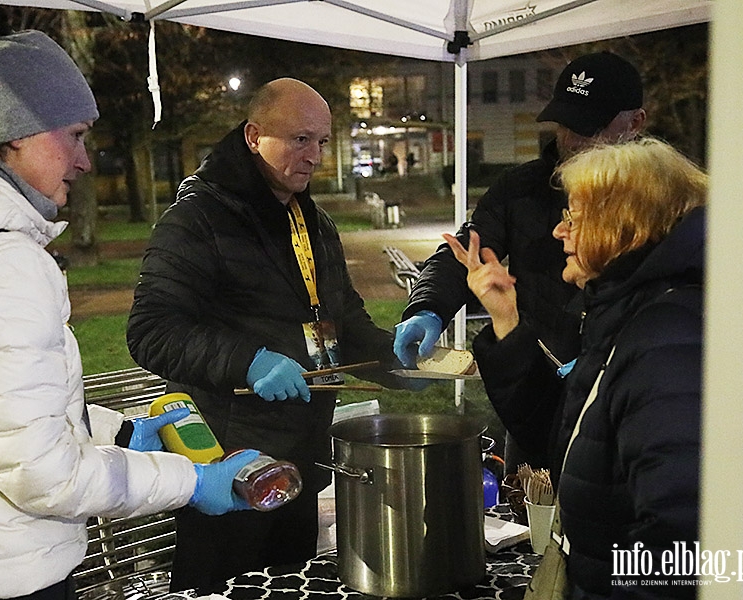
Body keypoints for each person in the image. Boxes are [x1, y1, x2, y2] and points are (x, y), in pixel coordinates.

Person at [0, 18, 259, 600]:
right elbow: (41, 476)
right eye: (74, 135)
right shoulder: (0, 265)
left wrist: (117, 430)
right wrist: (193, 479)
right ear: (16, 133)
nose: (83, 161)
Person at [126, 77, 401, 590]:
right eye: (300, 139)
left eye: (322, 141)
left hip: (300, 460)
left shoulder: (313, 221)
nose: (316, 155)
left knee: (289, 585)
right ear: (254, 136)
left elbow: (342, 319)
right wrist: (249, 360)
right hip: (226, 468)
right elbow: (151, 330)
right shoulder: (195, 219)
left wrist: (393, 359)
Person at [444, 138, 705, 598]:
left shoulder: (668, 338)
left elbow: (679, 541)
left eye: (574, 218)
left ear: (625, 227)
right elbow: (562, 443)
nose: (559, 232)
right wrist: (506, 322)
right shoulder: (624, 313)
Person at [393, 51, 647, 470]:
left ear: (635, 122)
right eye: (566, 123)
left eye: (590, 125)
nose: (573, 139)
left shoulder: (654, 205)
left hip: (619, 407)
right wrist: (427, 309)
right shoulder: (522, 189)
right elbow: (466, 252)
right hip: (534, 391)